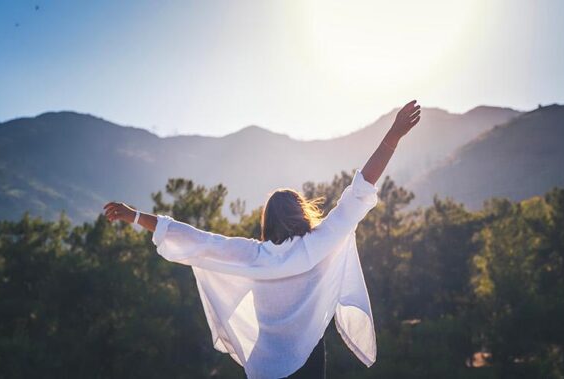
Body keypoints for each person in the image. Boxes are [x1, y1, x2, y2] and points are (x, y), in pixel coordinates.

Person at [104, 100, 421, 378]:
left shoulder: (253, 255)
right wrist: (392, 136)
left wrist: (134, 216)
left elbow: (195, 239)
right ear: (302, 214)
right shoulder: (321, 241)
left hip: (263, 365)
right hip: (309, 363)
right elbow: (360, 188)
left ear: (267, 222)